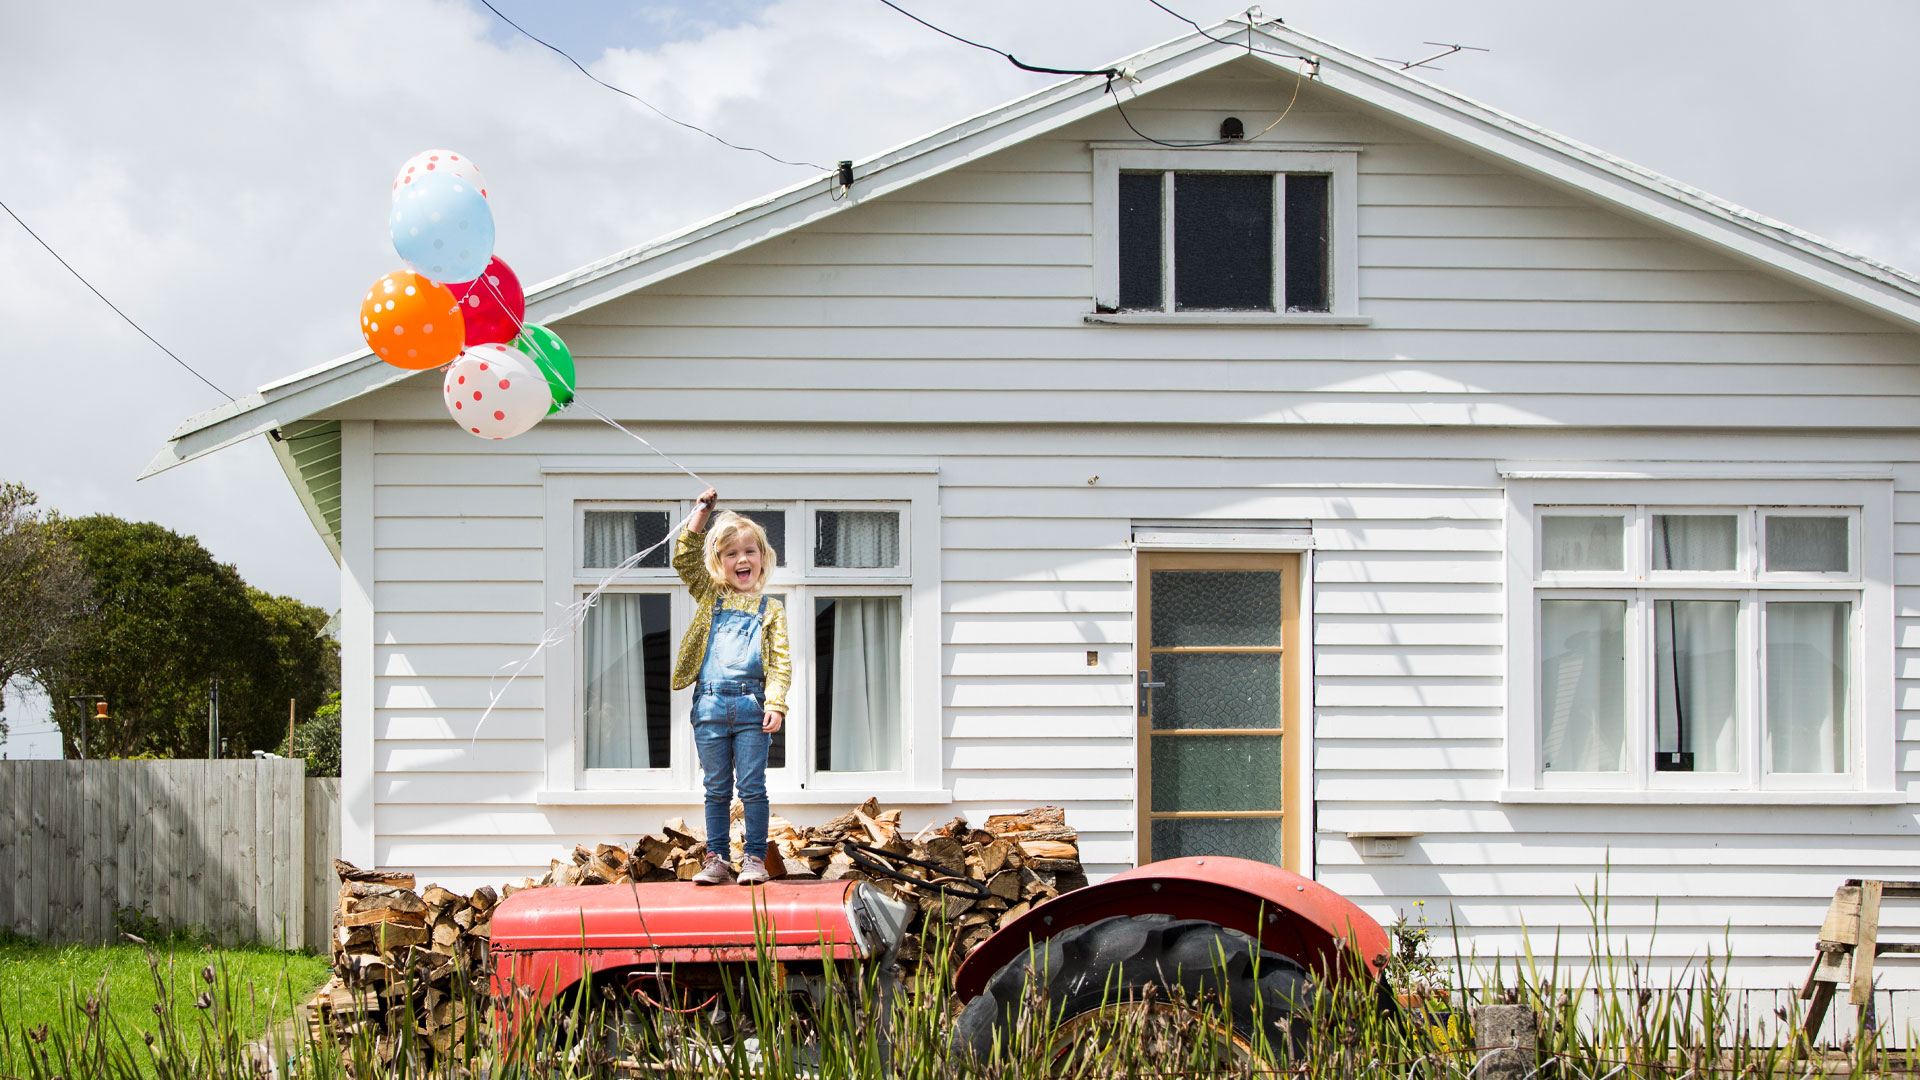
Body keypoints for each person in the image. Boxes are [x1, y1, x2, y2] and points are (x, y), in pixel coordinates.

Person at [672, 487, 789, 886]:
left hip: (752, 706)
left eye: (750, 551)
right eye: (732, 553)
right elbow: (682, 557)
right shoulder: (710, 596)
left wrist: (776, 702)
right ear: (719, 563)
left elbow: (781, 662)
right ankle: (717, 858)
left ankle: (754, 858)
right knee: (716, 788)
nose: (742, 559)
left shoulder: (770, 608)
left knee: (753, 787)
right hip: (709, 706)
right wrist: (700, 515)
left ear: (762, 558)